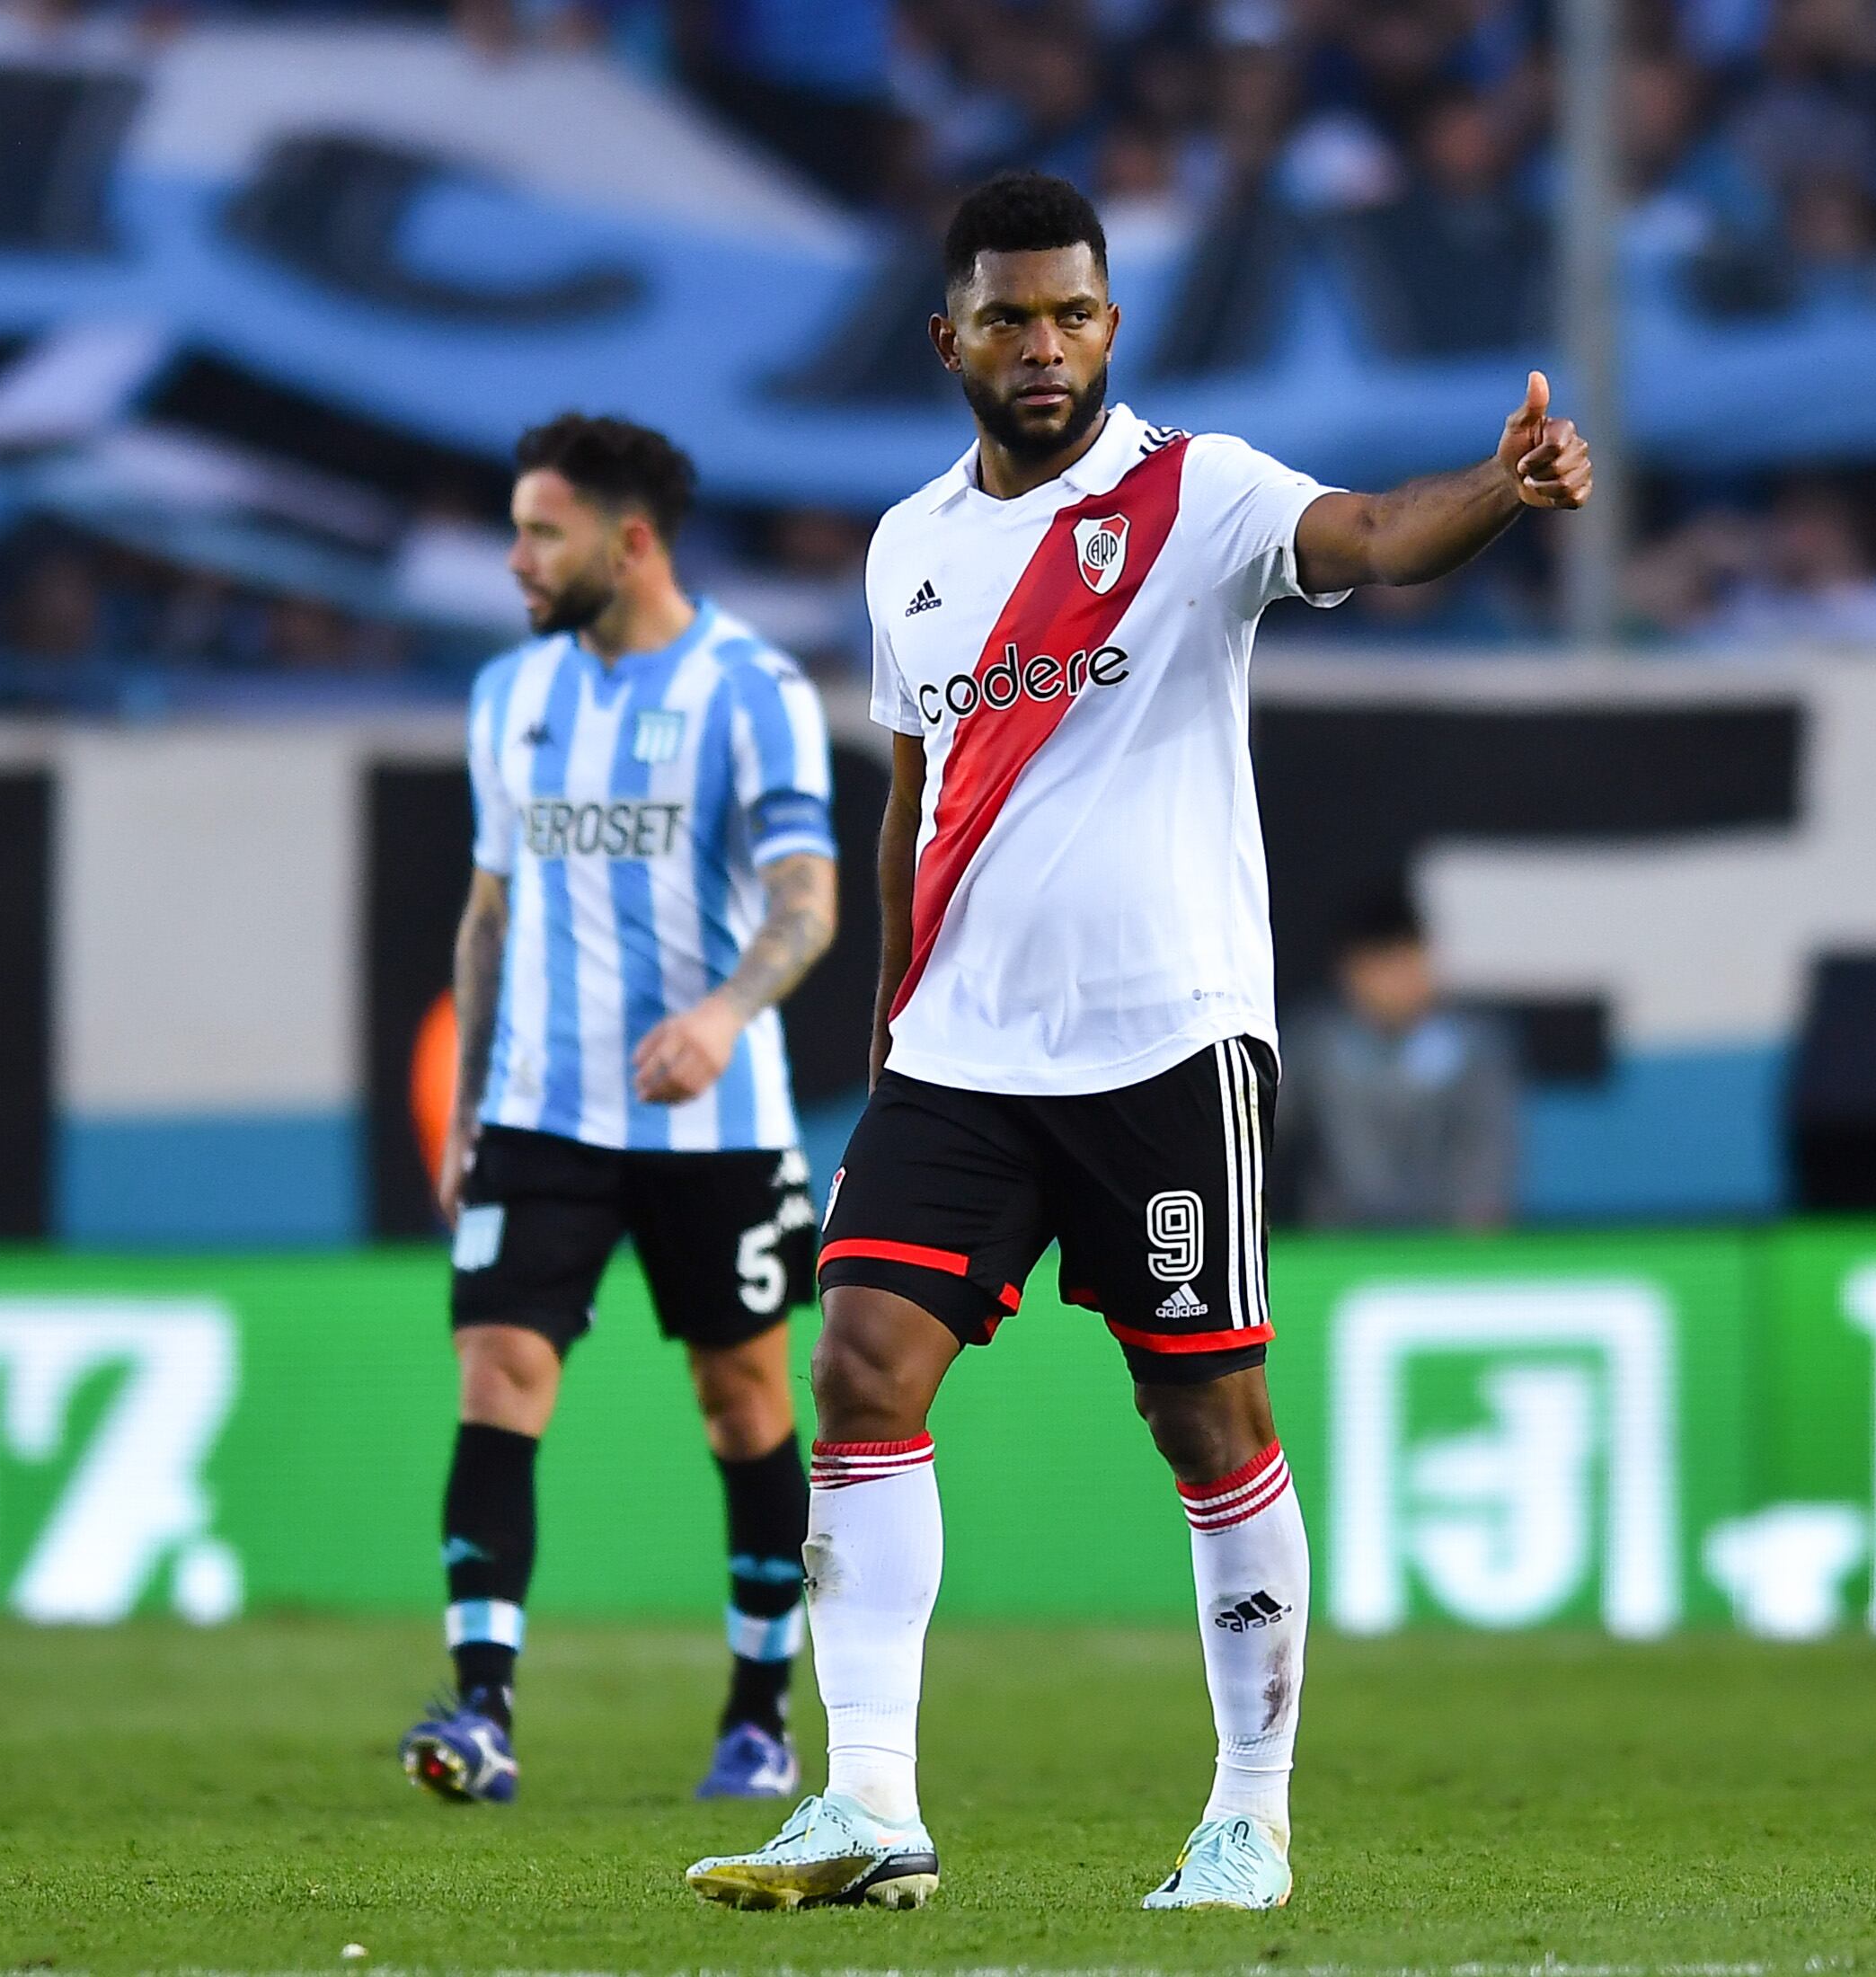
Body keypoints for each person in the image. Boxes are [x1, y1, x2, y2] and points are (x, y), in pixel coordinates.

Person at [684, 171, 1591, 1914]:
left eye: (1078, 313)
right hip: (957, 1050)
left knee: (1206, 1414)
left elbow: (1383, 538)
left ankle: (1249, 1812)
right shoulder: (911, 549)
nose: (1047, 346)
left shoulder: (1197, 494)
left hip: (1165, 1046)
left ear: (1115, 324)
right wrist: (890, 1017)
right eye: (1012, 316)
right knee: (861, 1365)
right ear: (948, 336)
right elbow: (917, 807)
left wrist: (1503, 483)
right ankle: (868, 1795)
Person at [398, 413, 839, 1807]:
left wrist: (720, 1016)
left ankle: (759, 1717)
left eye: (541, 533)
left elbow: (807, 903)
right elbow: (487, 915)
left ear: (629, 539)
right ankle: (481, 1716)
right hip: (542, 1109)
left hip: (716, 1121)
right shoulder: (509, 697)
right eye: (515, 530)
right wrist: (468, 1112)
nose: (516, 559)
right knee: (498, 1374)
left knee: (743, 1399)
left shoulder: (752, 689)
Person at [1287, 890, 1519, 1231]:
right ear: (1351, 972)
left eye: (1408, 960)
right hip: (1336, 1246)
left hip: (1445, 1248)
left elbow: (1487, 1165)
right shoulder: (1314, 1045)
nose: (1398, 981)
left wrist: (1477, 1236)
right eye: (1382, 965)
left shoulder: (1475, 1049)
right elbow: (1254, 1133)